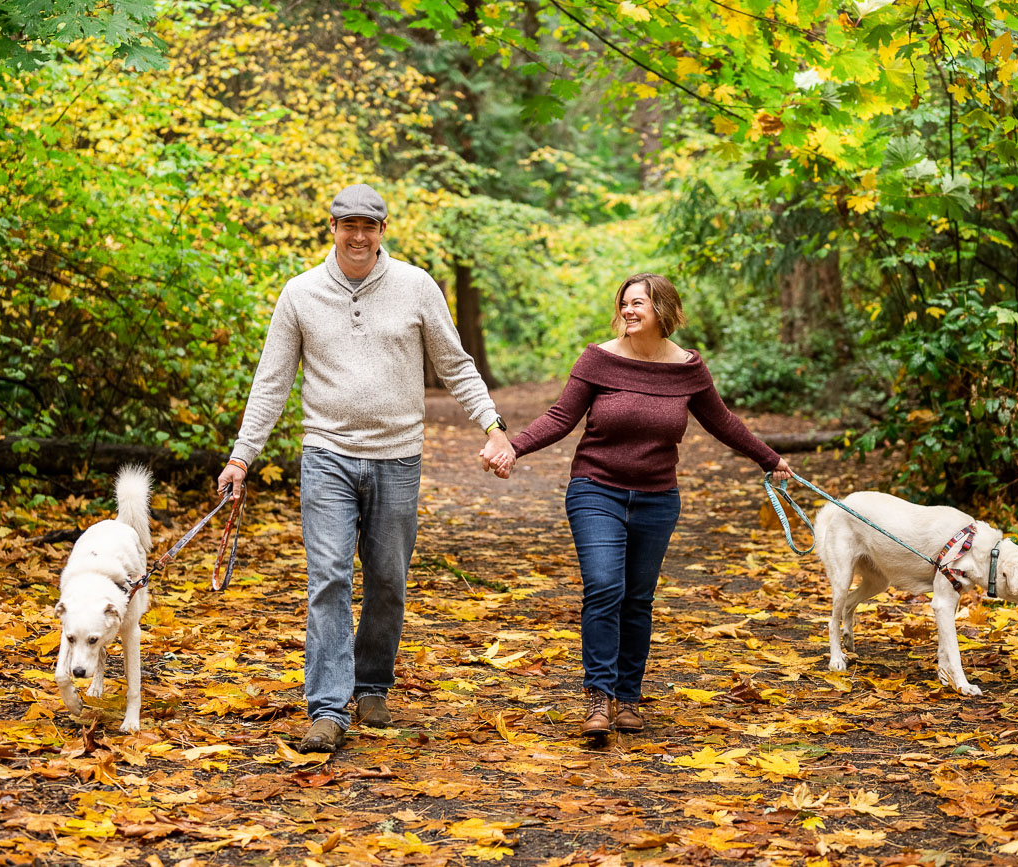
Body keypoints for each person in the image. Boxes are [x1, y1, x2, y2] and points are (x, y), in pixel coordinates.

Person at [218, 184, 515, 753]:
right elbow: (271, 381)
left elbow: (455, 364)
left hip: (398, 456)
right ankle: (328, 707)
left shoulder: (416, 286)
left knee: (388, 580)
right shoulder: (300, 293)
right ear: (331, 228)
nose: (357, 235)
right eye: (347, 224)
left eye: (368, 226)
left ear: (383, 231)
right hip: (326, 454)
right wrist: (242, 455)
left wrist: (492, 426)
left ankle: (373, 681)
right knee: (328, 577)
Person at [486, 272, 792, 741]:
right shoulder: (598, 359)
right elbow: (561, 417)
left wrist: (769, 459)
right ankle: (598, 697)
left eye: (639, 304)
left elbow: (723, 422)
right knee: (605, 586)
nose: (629, 311)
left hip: (657, 499)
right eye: (625, 303)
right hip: (596, 489)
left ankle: (627, 696)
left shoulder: (688, 368)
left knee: (637, 600)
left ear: (662, 311)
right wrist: (514, 447)